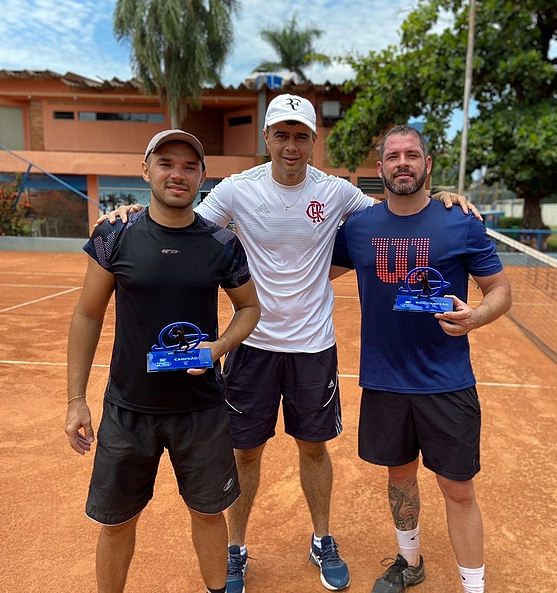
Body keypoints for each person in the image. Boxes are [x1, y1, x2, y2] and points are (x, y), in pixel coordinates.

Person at [100, 94, 479, 593]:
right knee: (245, 454)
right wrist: (133, 209)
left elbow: (399, 210)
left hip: (313, 346)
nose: (292, 145)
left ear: (313, 141)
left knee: (315, 451)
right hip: (250, 347)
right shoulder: (237, 191)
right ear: (267, 138)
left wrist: (445, 197)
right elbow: (181, 218)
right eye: (282, 134)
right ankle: (236, 548)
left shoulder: (337, 192)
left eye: (301, 135)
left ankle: (322, 538)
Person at [65, 130, 261, 593]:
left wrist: (218, 348)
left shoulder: (221, 242)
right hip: (128, 410)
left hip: (201, 410)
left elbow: (249, 307)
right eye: (167, 163)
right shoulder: (114, 235)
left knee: (209, 515)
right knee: (116, 523)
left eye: (189, 166)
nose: (178, 174)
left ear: (202, 177)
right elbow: (87, 314)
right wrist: (76, 399)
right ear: (146, 169)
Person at [330, 125, 512, 593]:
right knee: (400, 479)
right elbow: (304, 269)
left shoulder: (461, 221)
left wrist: (476, 317)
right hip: (385, 381)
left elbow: (500, 291)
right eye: (394, 156)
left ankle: (474, 587)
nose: (403, 163)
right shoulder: (359, 228)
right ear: (381, 169)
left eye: (412, 155)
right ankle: (410, 563)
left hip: (446, 380)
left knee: (458, 489)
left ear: (427, 165)